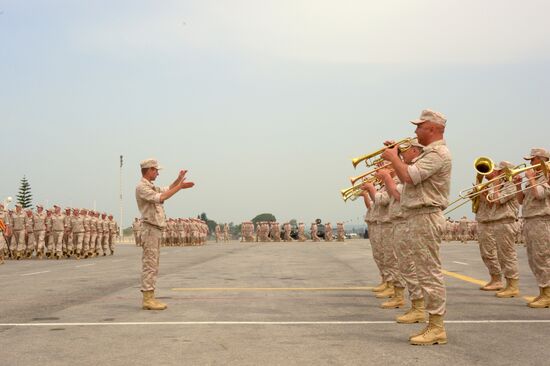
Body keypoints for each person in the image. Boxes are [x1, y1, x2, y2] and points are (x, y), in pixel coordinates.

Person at [381, 109, 451, 346]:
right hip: (417, 216)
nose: (415, 130)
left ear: (431, 128)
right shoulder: (427, 154)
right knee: (422, 271)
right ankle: (430, 320)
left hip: (426, 216)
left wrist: (394, 159)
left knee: (429, 272)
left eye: (419, 126)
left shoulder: (438, 153)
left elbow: (409, 178)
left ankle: (437, 327)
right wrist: (399, 156)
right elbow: (407, 177)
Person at [135, 158, 195, 311]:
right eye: (156, 170)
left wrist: (178, 180)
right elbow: (162, 197)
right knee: (150, 264)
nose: (157, 173)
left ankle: (150, 296)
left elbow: (167, 189)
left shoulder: (150, 186)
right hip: (150, 229)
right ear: (148, 170)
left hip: (155, 230)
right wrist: (180, 187)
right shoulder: (142, 187)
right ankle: (148, 299)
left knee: (153, 264)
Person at [518, 148, 550, 308]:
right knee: (534, 259)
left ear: (542, 160)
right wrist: (518, 185)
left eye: (533, 160)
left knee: (542, 257)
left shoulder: (547, 176)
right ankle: (542, 291)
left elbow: (540, 195)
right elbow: (521, 201)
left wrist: (531, 179)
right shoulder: (536, 176)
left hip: (542, 220)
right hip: (530, 219)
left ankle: (548, 294)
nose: (530, 163)